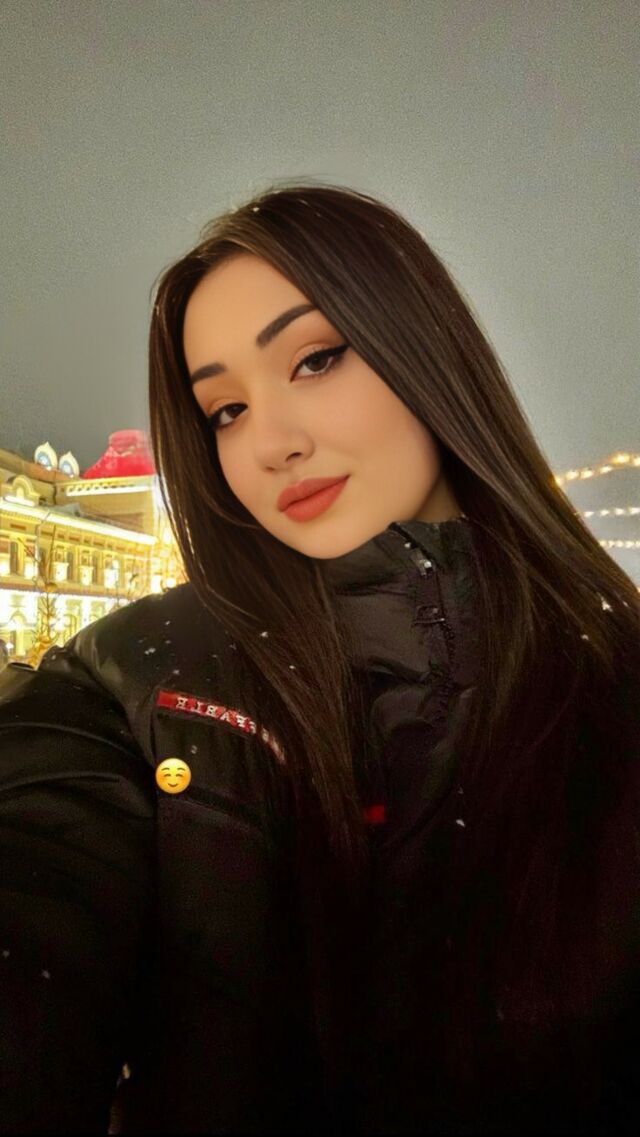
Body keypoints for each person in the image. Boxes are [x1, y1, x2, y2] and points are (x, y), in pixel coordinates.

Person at [1, 180, 638, 1135]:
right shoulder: (134, 684)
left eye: (315, 359)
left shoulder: (615, 689)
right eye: (224, 410)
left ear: (426, 351)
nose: (271, 443)